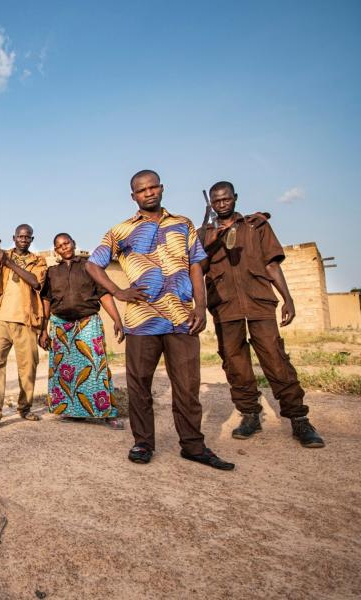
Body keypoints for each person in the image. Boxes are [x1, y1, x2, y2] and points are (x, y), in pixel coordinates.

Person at [86, 169, 234, 470]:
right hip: (142, 319)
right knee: (139, 385)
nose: (149, 193)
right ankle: (143, 442)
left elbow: (196, 265)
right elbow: (93, 264)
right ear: (134, 196)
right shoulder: (121, 231)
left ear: (162, 188)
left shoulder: (183, 224)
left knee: (187, 386)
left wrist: (200, 305)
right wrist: (118, 291)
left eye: (153, 187)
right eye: (142, 190)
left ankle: (193, 445)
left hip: (182, 317)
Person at [199, 181, 324, 447]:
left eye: (226, 199)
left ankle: (299, 420)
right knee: (234, 362)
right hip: (224, 306)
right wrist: (209, 243)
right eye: (216, 201)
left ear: (235, 198)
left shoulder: (256, 226)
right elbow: (197, 269)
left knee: (275, 358)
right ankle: (250, 415)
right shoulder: (203, 234)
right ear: (210, 203)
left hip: (259, 302)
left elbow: (271, 265)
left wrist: (287, 298)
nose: (222, 204)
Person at [40, 233, 125, 429]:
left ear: (74, 243)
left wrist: (117, 319)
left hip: (88, 323)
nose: (64, 248)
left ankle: (106, 412)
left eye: (67, 243)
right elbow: (46, 301)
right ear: (56, 250)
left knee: (96, 368)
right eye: (60, 246)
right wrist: (44, 330)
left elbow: (103, 294)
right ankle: (73, 411)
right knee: (65, 372)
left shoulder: (89, 266)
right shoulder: (52, 272)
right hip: (61, 326)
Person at [0, 221, 47, 428]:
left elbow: (36, 282)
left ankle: (25, 408)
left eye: (27, 236)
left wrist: (9, 263)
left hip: (26, 320)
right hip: (1, 319)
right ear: (13, 238)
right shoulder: (1, 254)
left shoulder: (38, 261)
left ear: (31, 239)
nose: (23, 239)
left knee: (28, 366)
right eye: (20, 236)